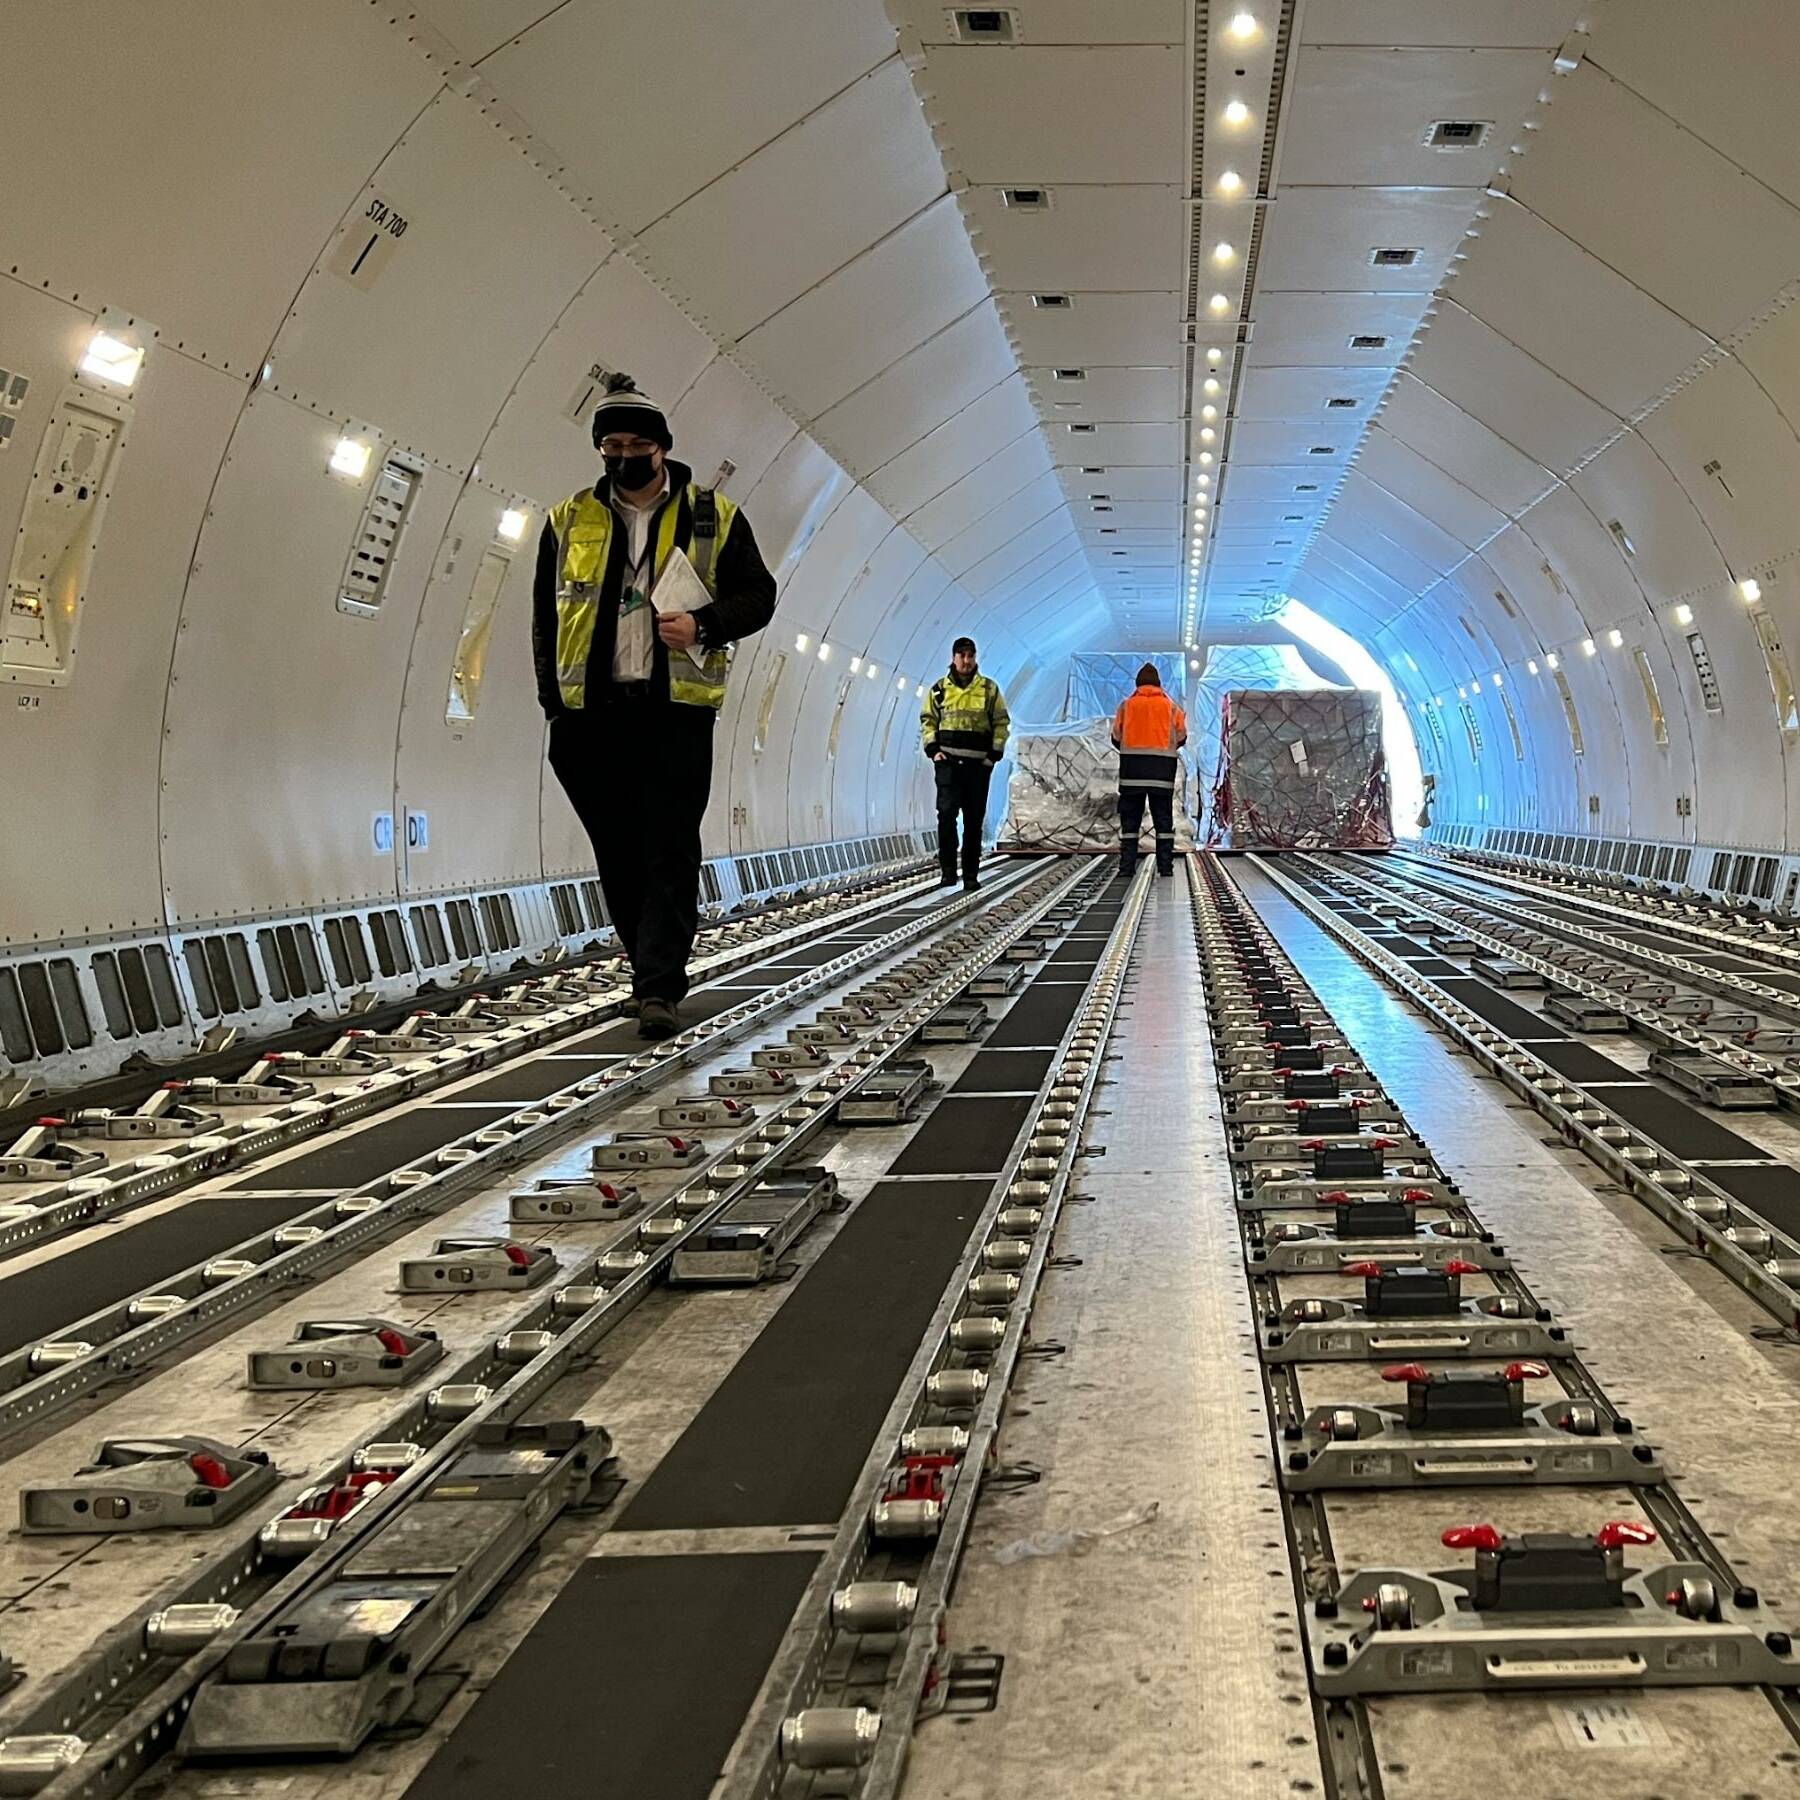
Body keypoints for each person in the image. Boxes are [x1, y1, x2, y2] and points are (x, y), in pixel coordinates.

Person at [534, 372, 776, 1040]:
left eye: (637, 443)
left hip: (674, 711)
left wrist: (703, 626)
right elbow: (543, 619)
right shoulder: (567, 519)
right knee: (617, 850)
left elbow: (759, 597)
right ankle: (647, 966)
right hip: (591, 715)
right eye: (611, 445)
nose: (623, 456)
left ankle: (659, 986)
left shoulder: (713, 516)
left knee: (670, 846)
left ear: (662, 449)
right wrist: (553, 705)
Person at [921, 637, 1009, 892]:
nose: (967, 661)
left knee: (973, 821)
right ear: (953, 658)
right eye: (962, 655)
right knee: (946, 817)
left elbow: (1001, 723)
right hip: (947, 764)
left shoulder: (989, 690)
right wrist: (933, 750)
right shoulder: (939, 691)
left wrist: (993, 755)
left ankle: (971, 874)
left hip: (977, 767)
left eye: (970, 655)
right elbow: (928, 721)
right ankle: (948, 872)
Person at [1112, 664, 1187, 878]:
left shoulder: (1126, 706)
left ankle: (1127, 867)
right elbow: (1181, 736)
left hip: (1132, 774)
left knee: (1130, 822)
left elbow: (1116, 736)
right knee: (1163, 821)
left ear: (1137, 683)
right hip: (1162, 774)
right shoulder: (1172, 708)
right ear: (1158, 684)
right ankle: (1166, 867)